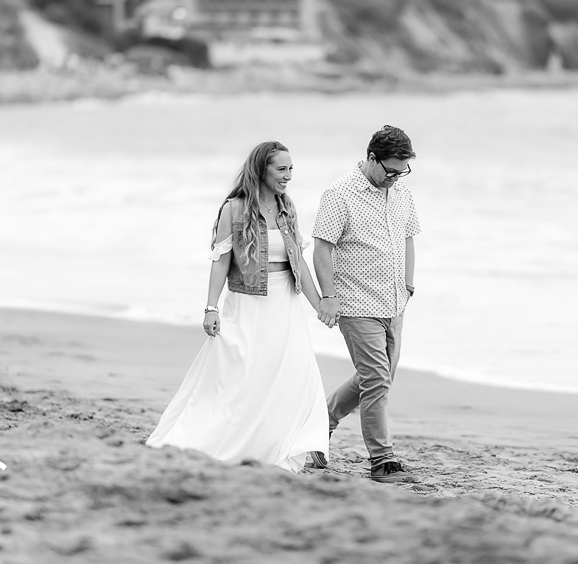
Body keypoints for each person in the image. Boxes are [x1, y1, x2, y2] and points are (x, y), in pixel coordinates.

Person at [146, 141, 329, 473]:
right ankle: (222, 441)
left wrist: (319, 304)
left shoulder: (288, 207)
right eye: (281, 169)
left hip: (285, 304)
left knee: (290, 375)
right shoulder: (235, 208)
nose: (288, 176)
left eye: (291, 169)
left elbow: (298, 261)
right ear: (262, 170)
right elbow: (220, 262)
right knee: (241, 376)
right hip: (247, 304)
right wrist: (210, 308)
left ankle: (279, 444)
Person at [310, 125, 420, 483]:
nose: (395, 178)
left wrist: (407, 284)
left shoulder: (401, 192)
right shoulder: (339, 194)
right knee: (376, 380)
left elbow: (408, 237)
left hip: (395, 301)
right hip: (357, 303)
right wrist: (328, 297)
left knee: (378, 377)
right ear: (372, 159)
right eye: (389, 170)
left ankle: (320, 422)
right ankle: (382, 459)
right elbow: (322, 247)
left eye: (401, 171)